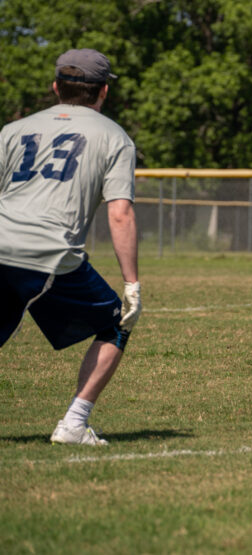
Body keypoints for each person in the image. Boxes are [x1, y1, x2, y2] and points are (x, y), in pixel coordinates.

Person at [0, 49, 141, 446]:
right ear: (104, 92)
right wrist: (132, 284)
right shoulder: (114, 136)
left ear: (55, 87)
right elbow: (120, 215)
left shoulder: (13, 130)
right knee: (115, 323)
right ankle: (74, 424)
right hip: (47, 252)